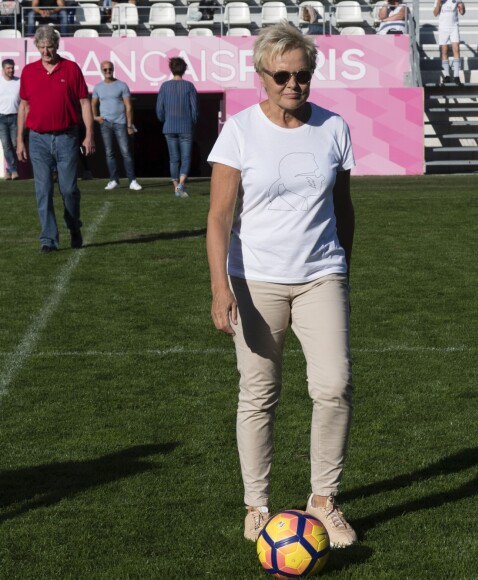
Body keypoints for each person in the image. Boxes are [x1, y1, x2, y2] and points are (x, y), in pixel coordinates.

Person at [206, 21, 357, 548]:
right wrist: (220, 287)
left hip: (321, 276)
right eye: (282, 75)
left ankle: (324, 501)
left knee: (334, 386)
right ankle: (257, 505)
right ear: (262, 75)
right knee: (259, 393)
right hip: (254, 280)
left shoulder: (334, 128)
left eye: (303, 75)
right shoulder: (240, 130)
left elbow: (343, 207)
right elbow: (219, 217)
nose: (293, 84)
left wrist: (342, 268)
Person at [16, 26, 95, 254]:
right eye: (41, 47)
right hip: (38, 140)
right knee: (43, 190)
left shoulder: (71, 69)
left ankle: (73, 226)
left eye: (49, 46)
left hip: (67, 138)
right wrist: (20, 140)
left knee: (69, 189)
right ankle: (48, 239)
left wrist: (89, 134)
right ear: (37, 48)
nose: (45, 51)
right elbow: (24, 106)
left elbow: (84, 103)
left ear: (56, 46)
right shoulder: (29, 72)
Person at [92, 60, 142, 191]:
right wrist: (95, 117)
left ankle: (132, 181)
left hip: (121, 123)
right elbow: (92, 104)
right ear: (101, 71)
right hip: (105, 124)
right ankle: (114, 180)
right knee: (109, 153)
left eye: (110, 69)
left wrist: (129, 125)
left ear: (113, 70)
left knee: (125, 152)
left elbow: (128, 106)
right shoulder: (97, 87)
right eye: (105, 69)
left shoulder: (122, 85)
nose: (108, 71)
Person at [155, 57, 198, 199]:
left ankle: (176, 188)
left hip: (169, 127)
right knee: (185, 158)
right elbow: (195, 109)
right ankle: (181, 184)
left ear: (171, 69)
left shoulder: (164, 86)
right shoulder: (189, 86)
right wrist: (193, 122)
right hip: (186, 127)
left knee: (173, 159)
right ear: (184, 69)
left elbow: (159, 109)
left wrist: (165, 120)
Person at [433, 0, 465, 85]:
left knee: (456, 49)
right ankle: (447, 75)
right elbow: (435, 13)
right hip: (443, 28)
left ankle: (456, 76)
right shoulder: (438, 0)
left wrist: (462, 7)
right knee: (444, 50)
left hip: (454, 27)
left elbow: (462, 12)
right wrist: (439, 3)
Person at [0, 58, 20, 180]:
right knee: (6, 145)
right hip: (1, 118)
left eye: (12, 68)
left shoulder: (19, 81)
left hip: (15, 117)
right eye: (8, 68)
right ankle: (13, 170)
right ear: (3, 69)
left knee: (14, 144)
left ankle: (9, 169)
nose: (11, 70)